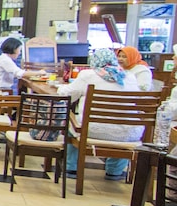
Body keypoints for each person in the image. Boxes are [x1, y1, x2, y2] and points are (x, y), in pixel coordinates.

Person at [56, 48, 141, 180]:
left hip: (91, 131)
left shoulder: (88, 75)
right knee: (122, 125)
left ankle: (71, 167)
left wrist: (60, 87)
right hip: (128, 133)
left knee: (71, 121)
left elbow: (66, 95)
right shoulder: (129, 77)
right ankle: (114, 172)